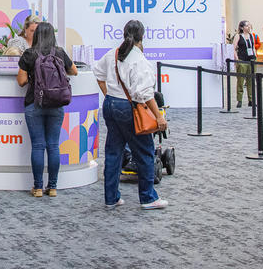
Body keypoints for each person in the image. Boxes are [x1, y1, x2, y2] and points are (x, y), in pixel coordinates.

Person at [94, 19, 167, 210]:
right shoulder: (139, 60)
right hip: (129, 108)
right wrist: (159, 116)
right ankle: (148, 198)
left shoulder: (113, 54)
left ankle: (111, 198)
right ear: (142, 36)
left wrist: (111, 96)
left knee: (113, 152)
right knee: (144, 152)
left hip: (110, 104)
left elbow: (98, 74)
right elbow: (145, 94)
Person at [17, 22, 77, 197]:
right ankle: (52, 188)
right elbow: (74, 71)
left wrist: (34, 78)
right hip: (56, 104)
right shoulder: (59, 52)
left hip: (34, 104)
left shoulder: (29, 54)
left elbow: (21, 81)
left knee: (37, 146)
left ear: (35, 36)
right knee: (53, 145)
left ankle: (37, 188)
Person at [232, 20, 257, 106]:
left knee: (251, 81)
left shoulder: (251, 36)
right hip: (242, 60)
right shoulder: (238, 36)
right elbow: (234, 48)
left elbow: (253, 47)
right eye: (247, 26)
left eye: (249, 25)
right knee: (240, 81)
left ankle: (251, 100)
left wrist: (255, 55)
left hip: (251, 60)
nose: (249, 27)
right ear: (242, 27)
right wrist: (237, 59)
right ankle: (239, 100)